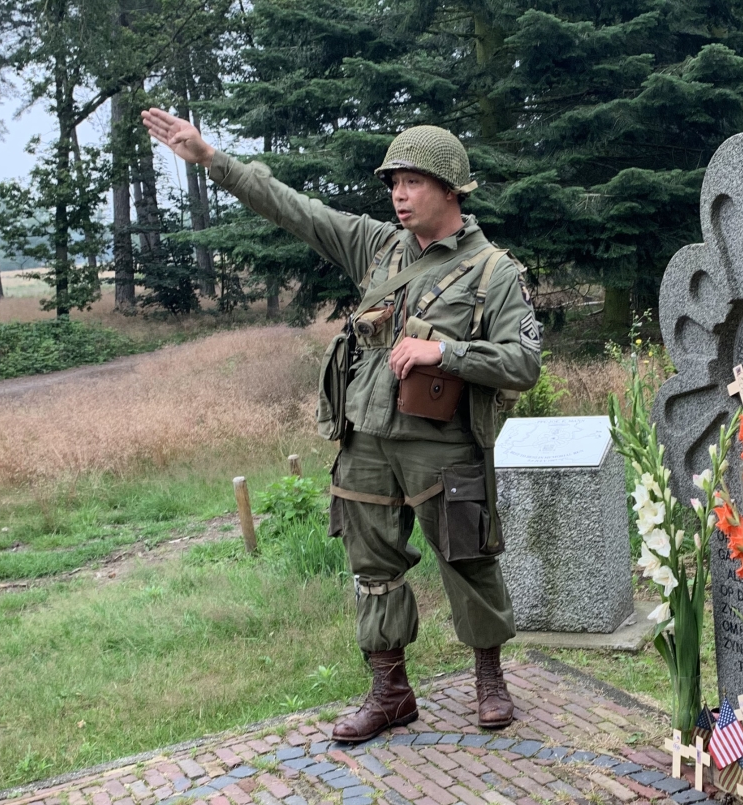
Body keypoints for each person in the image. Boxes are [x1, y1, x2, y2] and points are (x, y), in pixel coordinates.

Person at [141, 109, 542, 741]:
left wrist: (445, 352)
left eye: (412, 182)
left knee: (468, 558)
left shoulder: (495, 272)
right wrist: (213, 159)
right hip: (366, 440)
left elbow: (523, 362)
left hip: (443, 446)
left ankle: (489, 679)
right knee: (373, 566)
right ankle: (391, 692)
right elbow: (294, 210)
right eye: (394, 183)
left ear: (450, 190)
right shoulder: (377, 246)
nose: (399, 195)